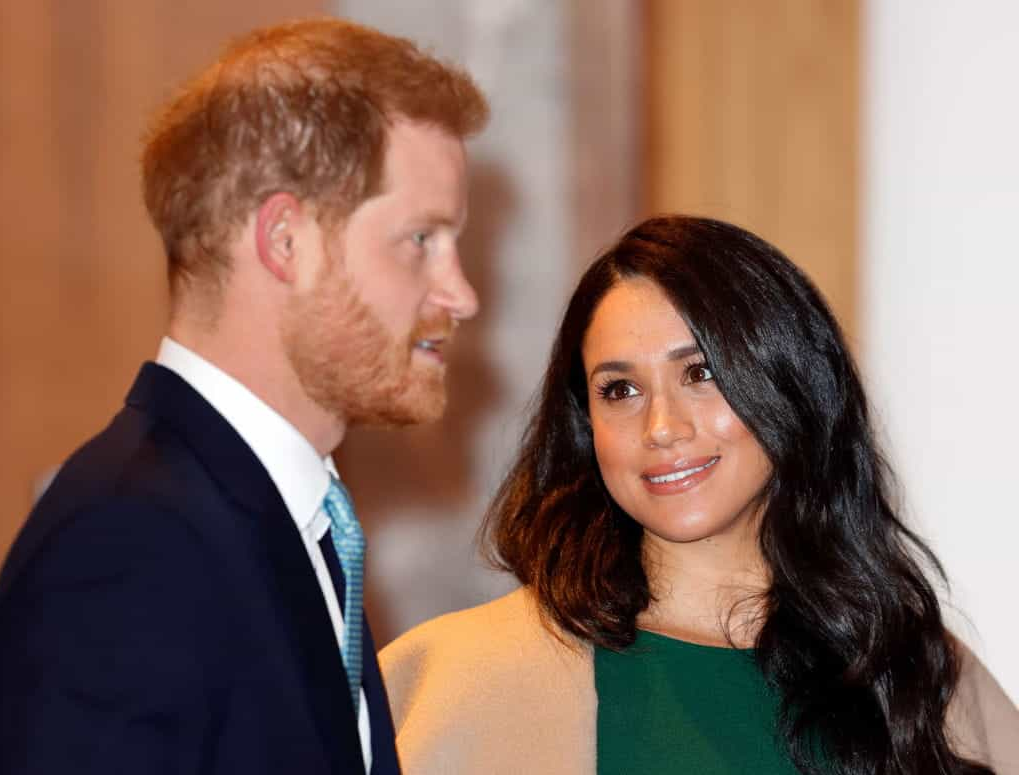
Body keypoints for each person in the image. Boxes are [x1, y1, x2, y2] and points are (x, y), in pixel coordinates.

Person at [0, 18, 488, 775]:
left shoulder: (290, 513)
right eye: (420, 239)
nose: (461, 294)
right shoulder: (128, 543)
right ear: (286, 240)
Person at [379, 215, 1019, 774]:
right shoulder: (455, 679)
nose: (662, 428)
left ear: (791, 386)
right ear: (585, 424)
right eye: (620, 390)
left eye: (701, 373)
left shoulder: (922, 675)